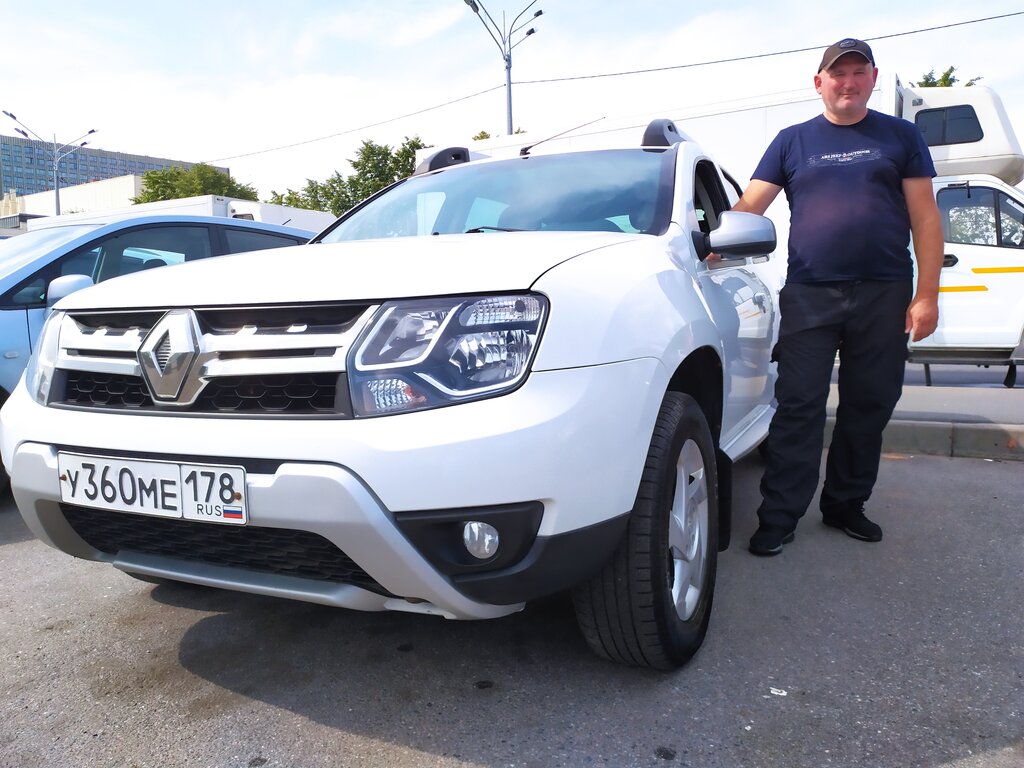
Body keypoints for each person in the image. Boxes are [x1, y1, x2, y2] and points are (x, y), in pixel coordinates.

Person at [732, 38, 944, 556]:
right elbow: (750, 207)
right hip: (810, 293)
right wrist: (713, 242)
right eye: (837, 73)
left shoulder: (901, 136)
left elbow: (925, 217)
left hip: (884, 292)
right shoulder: (791, 141)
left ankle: (845, 504)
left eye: (857, 72)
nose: (847, 82)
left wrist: (927, 295)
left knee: (868, 404)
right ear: (819, 82)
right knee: (798, 405)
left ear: (873, 78)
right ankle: (779, 516)